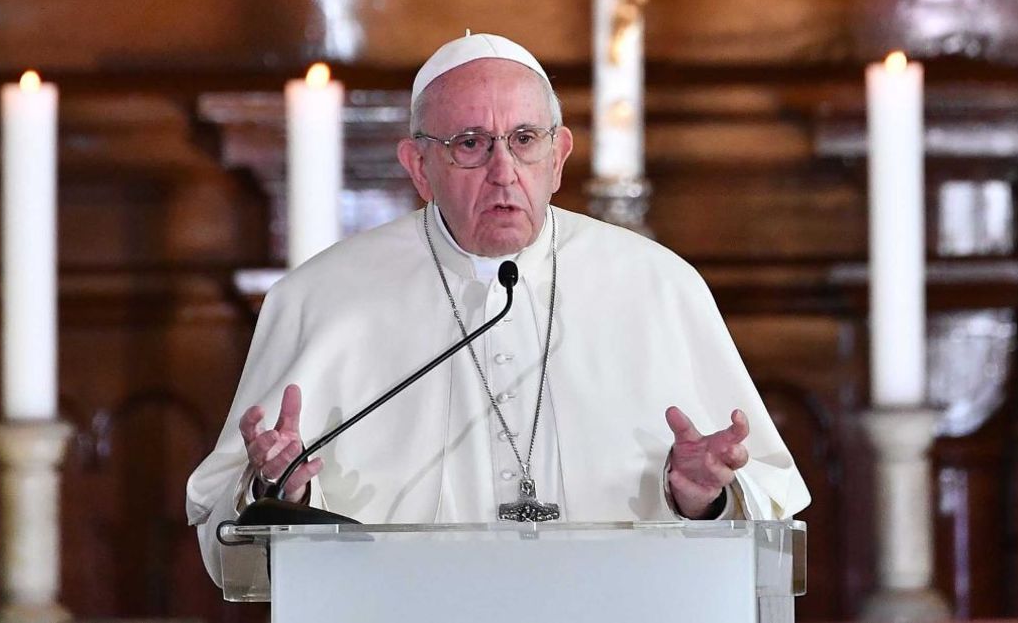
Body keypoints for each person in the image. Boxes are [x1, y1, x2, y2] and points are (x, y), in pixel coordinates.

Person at [186, 32, 809, 583]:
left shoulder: (659, 286)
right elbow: (230, 543)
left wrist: (703, 496)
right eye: (470, 143)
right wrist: (277, 488)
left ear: (559, 156)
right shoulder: (320, 299)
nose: (504, 171)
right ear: (418, 166)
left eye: (524, 139)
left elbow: (768, 515)